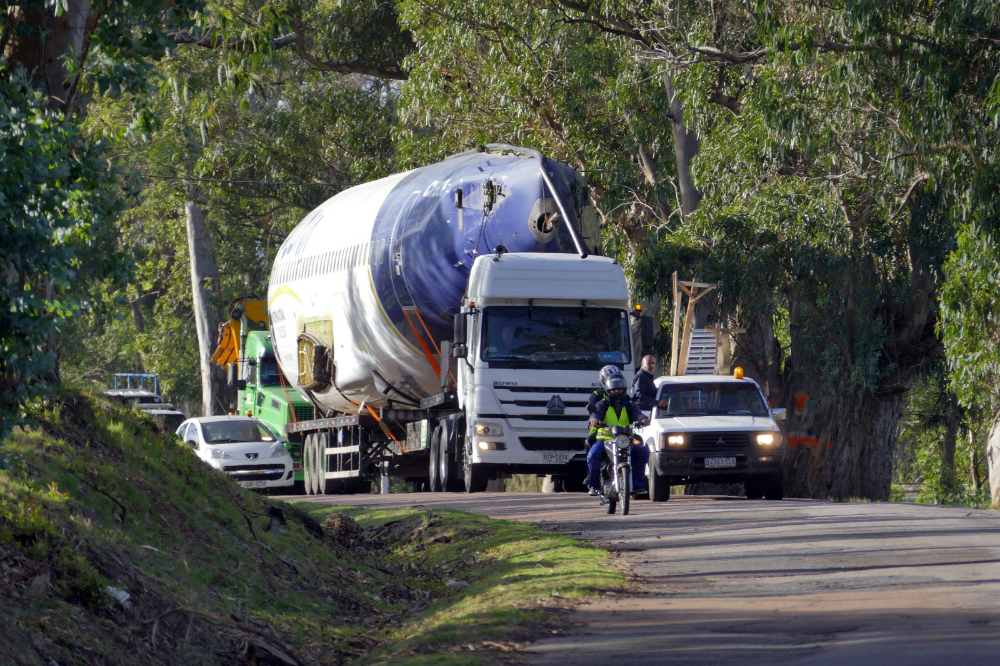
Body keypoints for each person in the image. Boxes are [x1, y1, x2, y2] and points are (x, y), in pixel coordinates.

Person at [586, 372, 650, 497]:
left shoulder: (631, 405)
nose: (616, 391)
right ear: (608, 389)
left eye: (619, 388)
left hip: (626, 439)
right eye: (613, 389)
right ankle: (593, 485)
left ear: (624, 388)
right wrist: (594, 419)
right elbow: (596, 413)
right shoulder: (602, 404)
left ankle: (638, 485)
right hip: (606, 440)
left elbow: (638, 414)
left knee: (643, 451)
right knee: (593, 454)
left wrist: (643, 419)